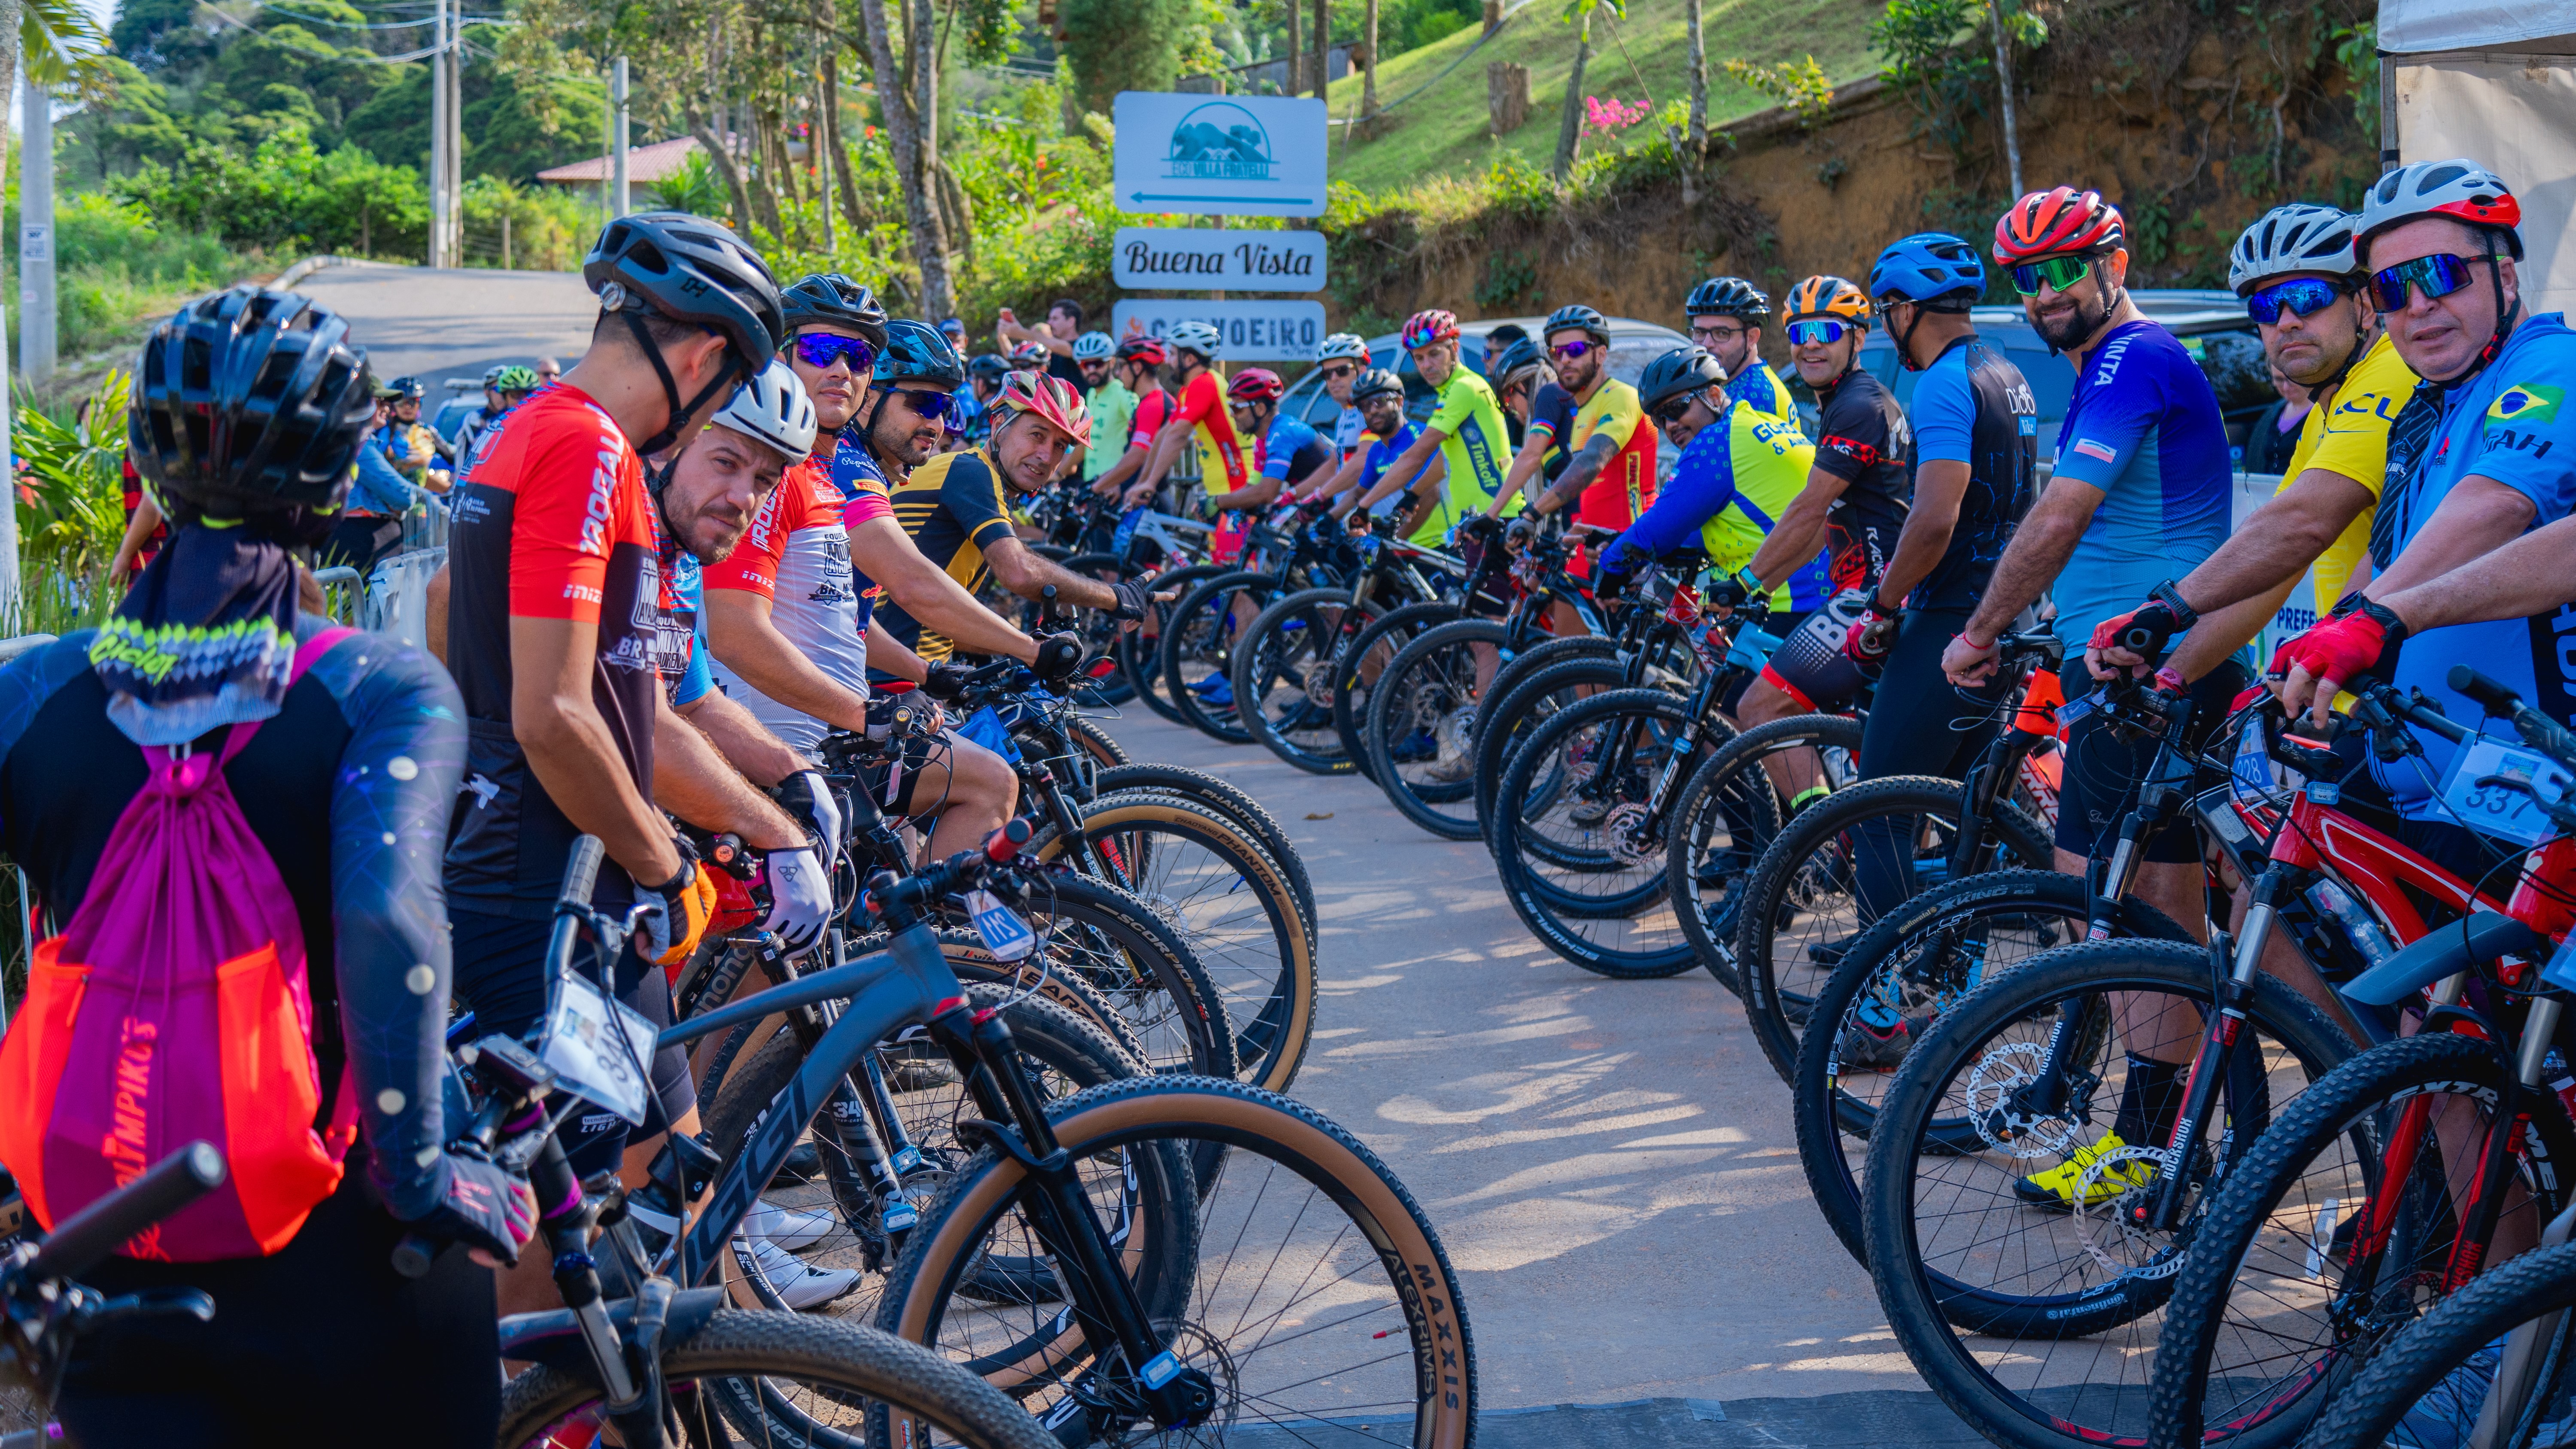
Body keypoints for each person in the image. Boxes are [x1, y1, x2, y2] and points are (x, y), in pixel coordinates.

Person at [9, 286, 529, 1443]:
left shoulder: (33, 692)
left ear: (146, 461)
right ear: (345, 486)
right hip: (348, 1256)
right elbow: (389, 922)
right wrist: (420, 1169)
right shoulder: (374, 690)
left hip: (107, 1238)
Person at [440, 213, 820, 1314]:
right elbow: (557, 715)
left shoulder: (531, 427)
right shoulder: (589, 447)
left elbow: (585, 683)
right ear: (706, 360)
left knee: (675, 1190)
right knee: (551, 1275)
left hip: (560, 879)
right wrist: (666, 867)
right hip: (543, 896)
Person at [2270, 161, 2576, 805]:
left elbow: (2497, 504)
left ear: (2507, 274)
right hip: (2432, 781)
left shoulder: (2550, 364)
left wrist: (2373, 618)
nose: (2418, 305)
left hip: (2524, 794)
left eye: (2441, 274)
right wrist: (2326, 634)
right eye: (2390, 289)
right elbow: (2391, 553)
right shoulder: (2433, 402)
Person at [2084, 203, 2420, 700]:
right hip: (2360, 697)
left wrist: (2167, 609)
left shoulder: (2393, 372)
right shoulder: (2329, 403)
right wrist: (2173, 678)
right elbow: (2274, 565)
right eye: (2266, 308)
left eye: (2308, 298)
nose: (2285, 322)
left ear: (2366, 305)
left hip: (2414, 699)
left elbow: (2303, 525)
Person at [1838, 233, 2038, 787]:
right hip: (2004, 611)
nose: (1885, 325)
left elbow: (1933, 520)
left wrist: (1879, 608)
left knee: (1880, 812)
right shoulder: (2006, 373)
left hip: (1951, 616)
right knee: (1963, 811)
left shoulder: (1943, 383)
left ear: (1906, 310)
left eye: (1886, 313)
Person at [1591, 346, 1832, 703]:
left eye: (1676, 409)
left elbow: (1663, 526)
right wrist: (1622, 541)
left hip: (1798, 596)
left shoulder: (1716, 445)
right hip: (1813, 586)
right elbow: (1708, 524)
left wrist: (1612, 566)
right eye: (1660, 419)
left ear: (1715, 394)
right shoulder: (1753, 424)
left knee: (1732, 712)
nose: (1671, 425)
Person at [881, 371, 1152, 667]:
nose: (1047, 456)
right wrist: (1114, 596)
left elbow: (945, 621)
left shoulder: (975, 477)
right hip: (893, 678)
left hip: (916, 671)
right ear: (999, 426)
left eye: (1060, 445)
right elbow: (1018, 571)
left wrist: (1026, 644)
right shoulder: (971, 473)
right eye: (1037, 435)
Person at [1363, 310, 1519, 547]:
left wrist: (1364, 506)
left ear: (1454, 349)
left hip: (1495, 518)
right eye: (1419, 358)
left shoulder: (1463, 388)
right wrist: (1414, 495)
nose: (1427, 365)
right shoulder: (1453, 390)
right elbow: (1445, 458)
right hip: (1478, 520)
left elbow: (1415, 457)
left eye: (1434, 354)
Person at [1506, 304, 1659, 538]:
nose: (1565, 359)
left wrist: (1533, 514)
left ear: (1601, 354)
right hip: (1596, 544)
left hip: (1633, 545)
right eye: (1557, 353)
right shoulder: (1583, 409)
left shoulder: (1621, 396)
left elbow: (1592, 462)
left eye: (1576, 350)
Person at [1134, 320, 1253, 557]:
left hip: (1237, 488)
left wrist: (1149, 483)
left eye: (1173, 354)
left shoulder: (1205, 384)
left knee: (1233, 583)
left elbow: (1179, 436)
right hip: (1221, 490)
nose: (1168, 360)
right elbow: (1165, 434)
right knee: (1218, 576)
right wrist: (1143, 481)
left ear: (1188, 360)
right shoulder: (1189, 389)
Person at [1305, 367, 1441, 522]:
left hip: (1435, 543)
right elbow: (1358, 493)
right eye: (1365, 406)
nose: (1373, 410)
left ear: (1399, 401)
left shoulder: (1420, 436)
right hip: (1400, 541)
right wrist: (1329, 518)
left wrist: (1398, 539)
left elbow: (1432, 493)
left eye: (1381, 401)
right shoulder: (1376, 451)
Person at [320, 391, 421, 575]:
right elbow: (404, 496)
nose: (387, 409)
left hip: (354, 537)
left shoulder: (343, 439)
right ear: (359, 404)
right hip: (363, 539)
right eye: (381, 403)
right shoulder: (359, 444)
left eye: (389, 404)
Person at [1218, 366, 1334, 516]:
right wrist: (1222, 505)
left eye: (1237, 408)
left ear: (1260, 409)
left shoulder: (1282, 434)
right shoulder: (1262, 440)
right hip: (1316, 509)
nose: (1233, 415)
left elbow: (1267, 493)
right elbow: (1254, 486)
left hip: (1339, 508)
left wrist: (1218, 502)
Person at [1687, 276, 1792, 418]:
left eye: (1722, 333)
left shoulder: (1753, 398)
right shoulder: (1742, 381)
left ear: (1752, 337)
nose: (1706, 344)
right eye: (1700, 332)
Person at [1095, 335, 1176, 510]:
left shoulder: (1153, 405)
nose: (1117, 373)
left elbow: (1136, 457)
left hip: (1148, 502)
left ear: (1137, 367)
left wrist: (1096, 487)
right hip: (1146, 495)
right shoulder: (1154, 401)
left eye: (1121, 366)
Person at [996, 298, 1093, 391]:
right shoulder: (1052, 351)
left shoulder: (1083, 347)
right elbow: (1016, 358)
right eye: (1049, 319)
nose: (1049, 323)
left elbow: (1067, 349)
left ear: (1071, 321)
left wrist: (1022, 333)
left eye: (1055, 319)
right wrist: (1002, 337)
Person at [2240, 363, 2312, 476]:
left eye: (2292, 380)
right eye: (2279, 380)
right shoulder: (2273, 413)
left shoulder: (2322, 414)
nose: (2286, 387)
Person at [1314, 332, 1374, 460]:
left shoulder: (1371, 410)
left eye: (1342, 370)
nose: (1334, 378)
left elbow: (1359, 465)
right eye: (1327, 374)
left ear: (1362, 371)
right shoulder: (1346, 412)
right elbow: (1336, 465)